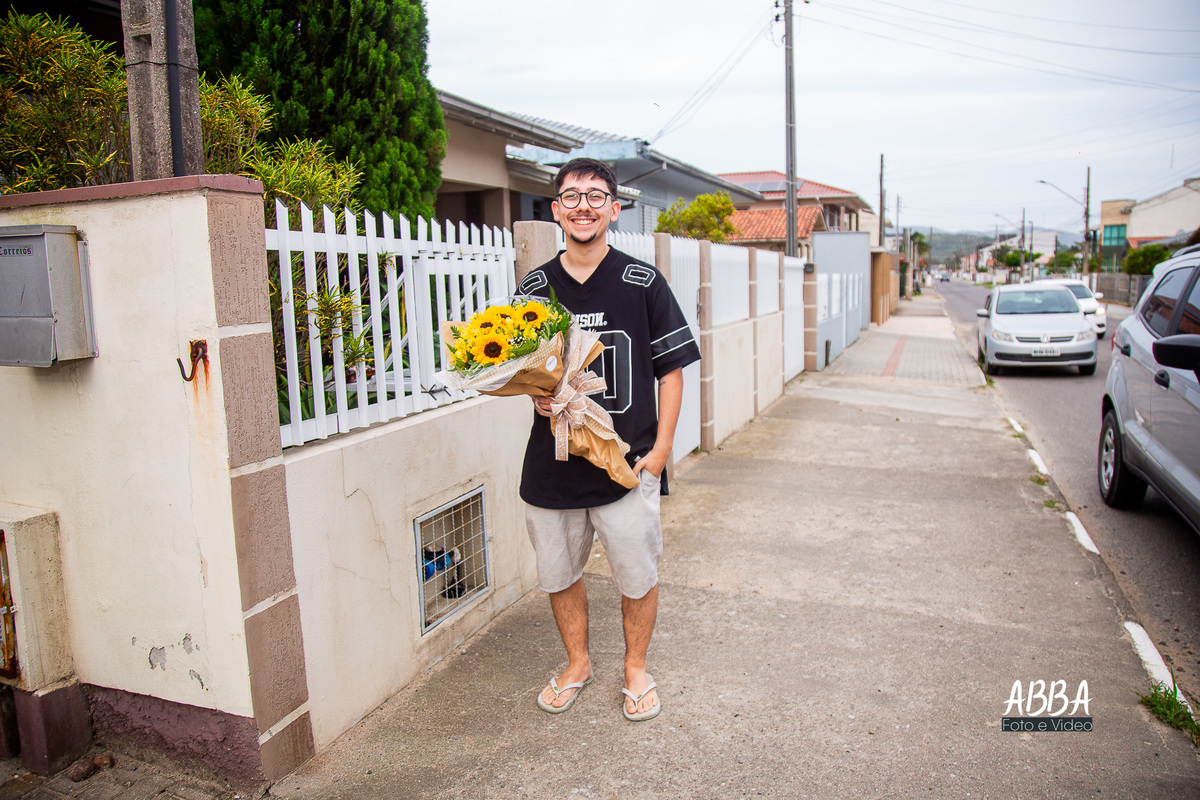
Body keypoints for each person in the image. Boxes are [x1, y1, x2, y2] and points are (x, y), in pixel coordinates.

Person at [515, 158, 700, 722]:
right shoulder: (534, 288)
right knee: (559, 573)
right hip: (553, 463)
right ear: (556, 210)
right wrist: (536, 397)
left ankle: (635, 668)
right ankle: (578, 664)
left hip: (627, 464)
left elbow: (672, 371)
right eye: (572, 196)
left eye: (596, 196)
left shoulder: (642, 282)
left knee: (637, 575)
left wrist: (661, 452)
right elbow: (520, 369)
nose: (584, 206)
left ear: (614, 209)